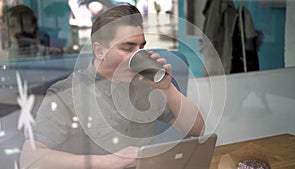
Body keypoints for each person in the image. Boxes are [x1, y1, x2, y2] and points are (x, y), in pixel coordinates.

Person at [20, 4, 205, 169]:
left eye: (141, 47)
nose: (137, 55)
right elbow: (30, 159)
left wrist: (167, 88)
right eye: (127, 48)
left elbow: (196, 129)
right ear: (99, 50)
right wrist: (111, 162)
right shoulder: (66, 94)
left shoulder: (144, 86)